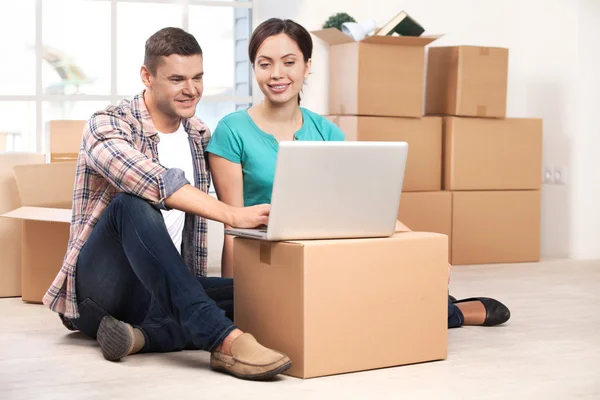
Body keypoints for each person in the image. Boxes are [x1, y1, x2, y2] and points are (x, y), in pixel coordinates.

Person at [206, 18, 510, 329]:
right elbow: (233, 228)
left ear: (307, 66)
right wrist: (235, 295)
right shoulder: (232, 131)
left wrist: (423, 246)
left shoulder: (327, 132)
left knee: (353, 300)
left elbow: (359, 206)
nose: (276, 74)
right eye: (265, 64)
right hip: (266, 260)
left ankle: (437, 305)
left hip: (324, 256)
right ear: (254, 68)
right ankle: (449, 312)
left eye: (289, 62)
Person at [46, 27, 292, 381]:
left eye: (197, 77)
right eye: (177, 79)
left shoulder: (200, 135)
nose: (191, 89)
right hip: (98, 295)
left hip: (164, 287)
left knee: (269, 295)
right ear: (147, 76)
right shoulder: (108, 124)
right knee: (132, 205)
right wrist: (231, 214)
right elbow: (153, 181)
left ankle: (144, 337)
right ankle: (223, 341)